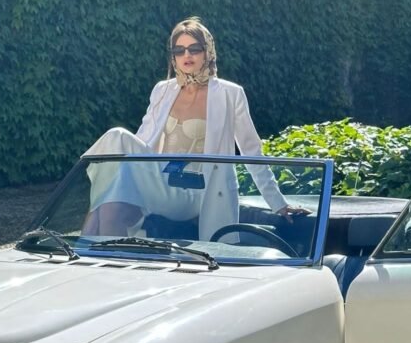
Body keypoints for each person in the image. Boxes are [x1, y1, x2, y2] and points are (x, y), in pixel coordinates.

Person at [83, 16, 305, 240]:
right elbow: (142, 142)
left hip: (196, 191)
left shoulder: (230, 93)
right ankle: (93, 253)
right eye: (179, 51)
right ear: (173, 57)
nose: (186, 55)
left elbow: (251, 151)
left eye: (194, 49)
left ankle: (86, 235)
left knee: (114, 161)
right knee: (113, 179)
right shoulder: (162, 90)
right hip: (160, 180)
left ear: (207, 52)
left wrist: (278, 203)